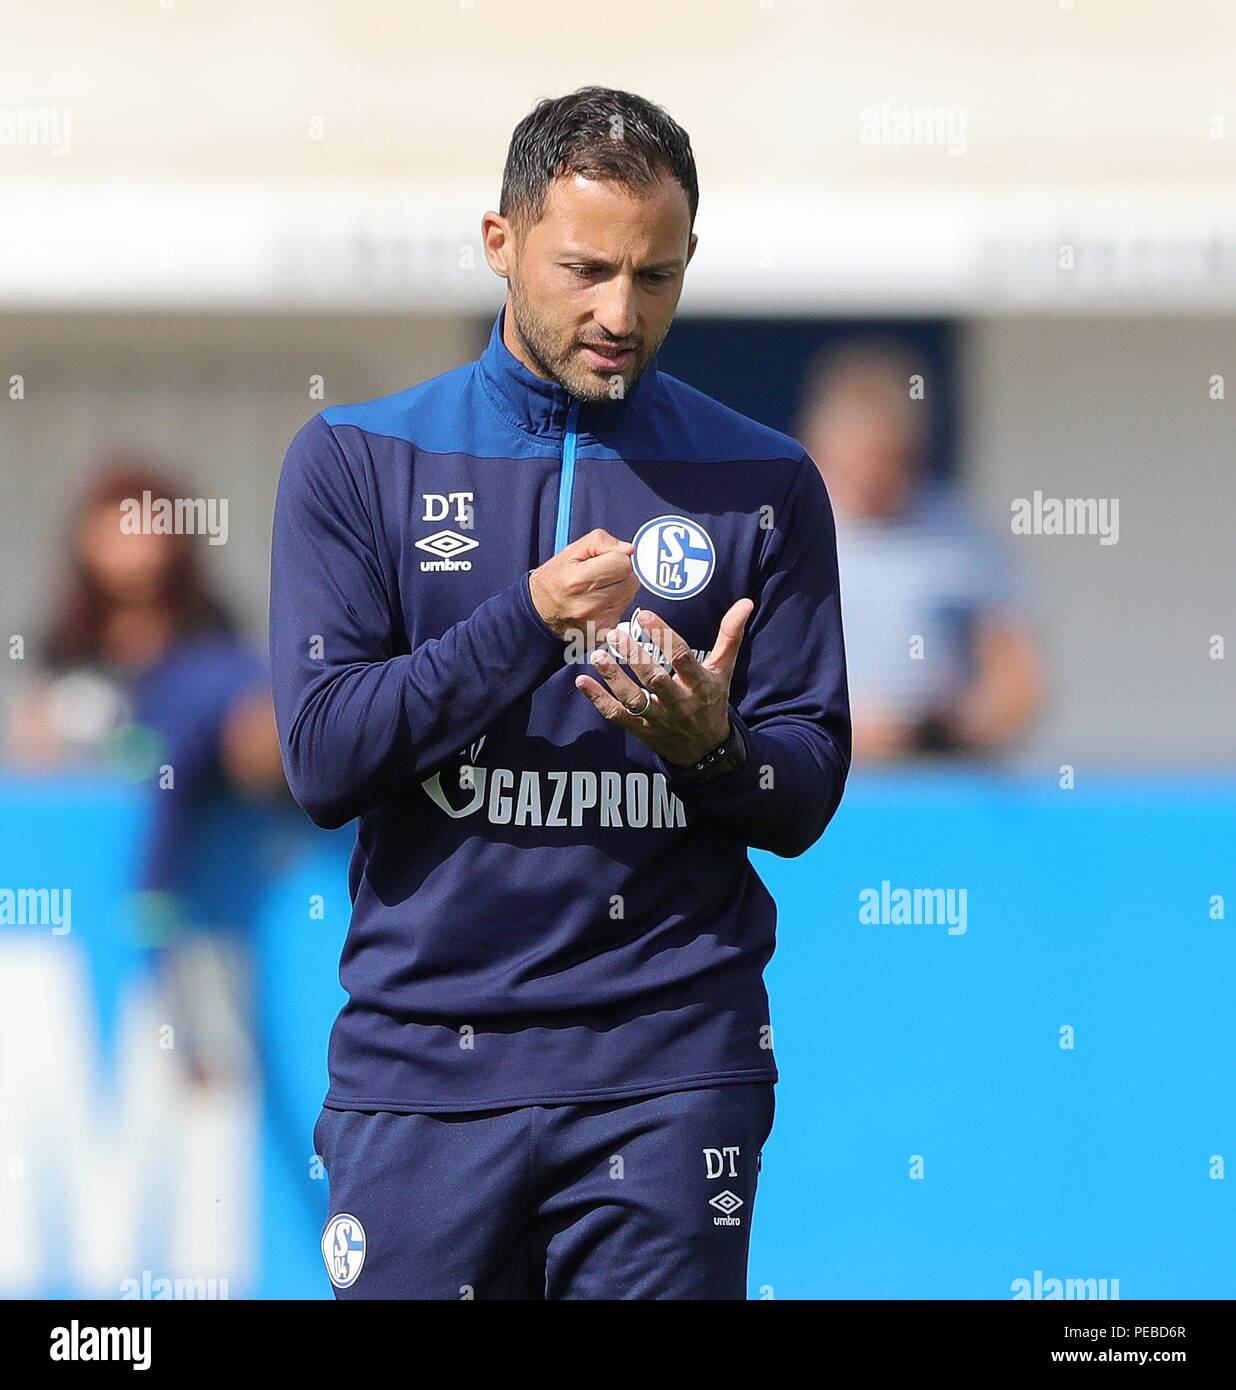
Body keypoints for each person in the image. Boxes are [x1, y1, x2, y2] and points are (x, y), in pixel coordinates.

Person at [270, 86, 851, 1300]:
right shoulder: (359, 459)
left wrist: (713, 751)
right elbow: (324, 760)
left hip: (673, 1061)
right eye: (586, 269)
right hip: (423, 1066)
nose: (619, 313)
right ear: (501, 243)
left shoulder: (768, 480)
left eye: (658, 277)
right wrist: (528, 622)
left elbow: (799, 791)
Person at [9, 460, 287, 1086]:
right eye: (116, 521)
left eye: (145, 520)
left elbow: (250, 737)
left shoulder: (211, 658)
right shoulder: (65, 654)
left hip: (208, 896)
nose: (131, 541)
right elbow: (36, 758)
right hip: (94, 928)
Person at [797, 341, 1042, 763]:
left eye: (894, 460)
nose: (879, 478)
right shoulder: (782, 534)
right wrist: (852, 730)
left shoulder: (963, 536)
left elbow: (1018, 680)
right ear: (820, 449)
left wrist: (952, 728)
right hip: (815, 776)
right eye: (863, 461)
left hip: (936, 784)